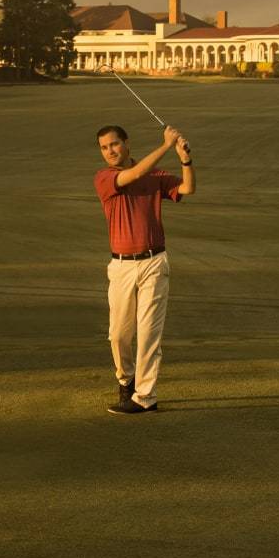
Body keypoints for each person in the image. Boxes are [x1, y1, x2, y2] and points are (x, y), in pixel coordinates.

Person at [94, 124, 195, 414]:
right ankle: (126, 380)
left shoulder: (155, 175)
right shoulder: (105, 178)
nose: (110, 151)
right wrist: (165, 146)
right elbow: (134, 175)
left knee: (149, 332)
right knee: (119, 334)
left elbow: (188, 188)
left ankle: (145, 397)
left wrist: (184, 158)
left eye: (114, 144)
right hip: (122, 266)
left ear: (126, 143)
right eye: (104, 147)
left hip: (154, 262)